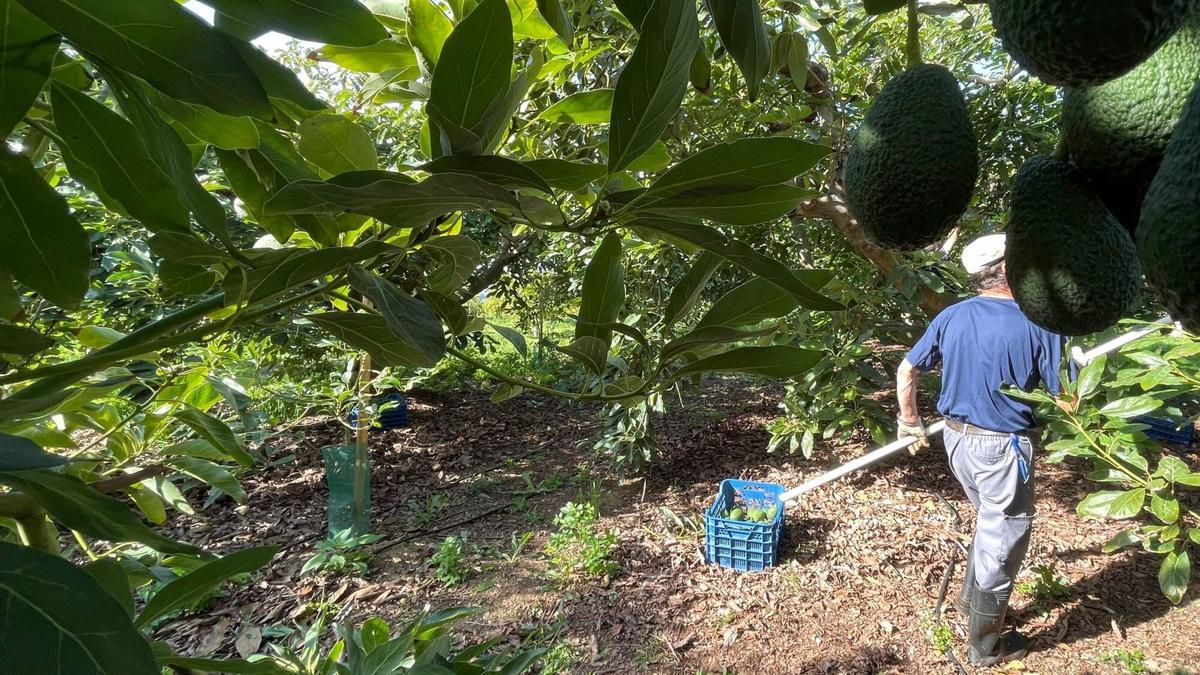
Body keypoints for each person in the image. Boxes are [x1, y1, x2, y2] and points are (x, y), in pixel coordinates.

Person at [894, 233, 1071, 667]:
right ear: (1009, 270)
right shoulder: (1038, 322)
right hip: (1001, 448)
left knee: (990, 519)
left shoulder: (952, 315)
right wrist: (1078, 365)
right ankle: (985, 646)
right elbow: (1066, 396)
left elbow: (906, 369)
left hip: (956, 440)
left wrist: (909, 422)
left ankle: (967, 601)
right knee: (1004, 536)